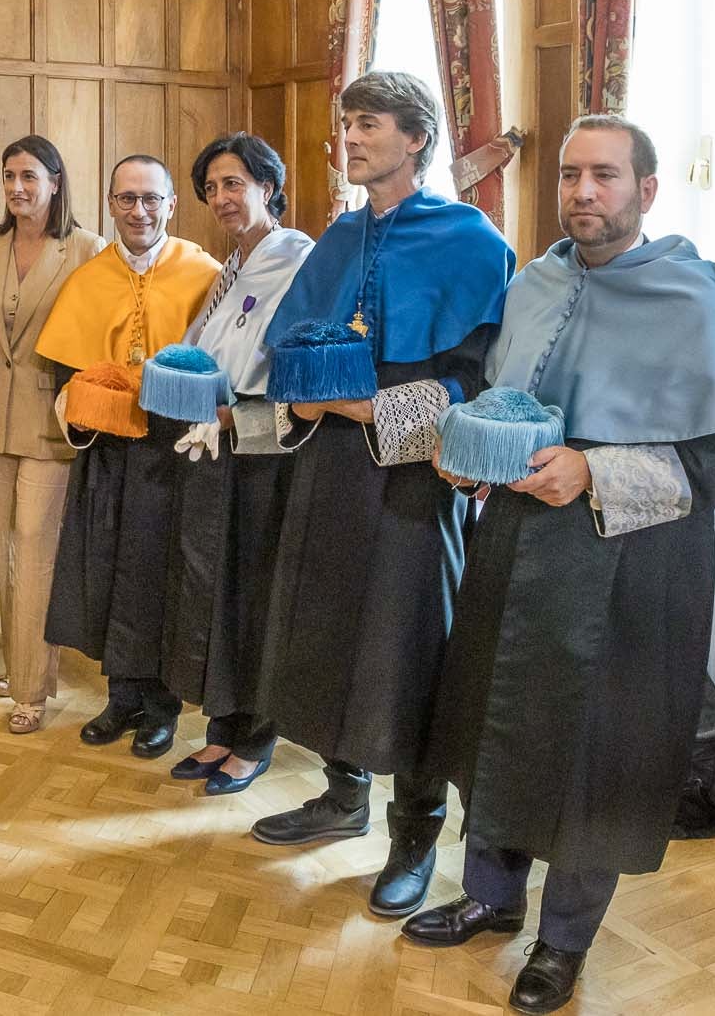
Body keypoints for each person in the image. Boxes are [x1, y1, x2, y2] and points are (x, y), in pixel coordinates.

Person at [406, 116, 715, 1014]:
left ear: (645, 190)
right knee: (494, 721)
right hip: (514, 548)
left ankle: (564, 942)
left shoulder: (696, 298)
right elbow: (499, 394)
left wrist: (595, 471)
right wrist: (468, 450)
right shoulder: (535, 280)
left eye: (604, 175)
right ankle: (491, 898)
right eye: (571, 174)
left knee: (594, 758)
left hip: (629, 564)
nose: (582, 191)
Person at [249, 71, 514, 919]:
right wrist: (310, 396)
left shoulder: (470, 240)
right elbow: (287, 351)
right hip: (328, 469)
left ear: (417, 139)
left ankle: (415, 829)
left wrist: (356, 405)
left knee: (408, 649)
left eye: (368, 124)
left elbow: (473, 382)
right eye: (346, 125)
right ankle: (342, 793)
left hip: (411, 477)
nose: (350, 139)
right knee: (326, 632)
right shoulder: (335, 238)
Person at [38, 155, 220, 756]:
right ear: (110, 204)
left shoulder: (205, 274)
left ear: (171, 204)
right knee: (110, 568)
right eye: (126, 199)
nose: (138, 211)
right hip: (113, 451)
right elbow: (66, 369)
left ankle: (162, 707)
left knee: (165, 575)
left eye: (150, 199)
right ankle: (120, 698)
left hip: (177, 452)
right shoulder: (88, 278)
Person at [162, 134, 313, 793]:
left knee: (255, 592)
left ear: (268, 186)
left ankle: (255, 738)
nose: (223, 198)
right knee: (212, 588)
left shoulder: (297, 258)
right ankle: (222, 726)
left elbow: (295, 367)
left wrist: (228, 414)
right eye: (213, 188)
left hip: (262, 448)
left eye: (235, 183)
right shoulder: (231, 265)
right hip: (214, 444)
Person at [0, 136, 106, 734]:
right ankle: (28, 668)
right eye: (8, 176)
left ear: (54, 181)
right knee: (7, 551)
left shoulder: (88, 249)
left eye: (29, 176)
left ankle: (29, 694)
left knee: (36, 553)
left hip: (53, 427)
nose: (17, 187)